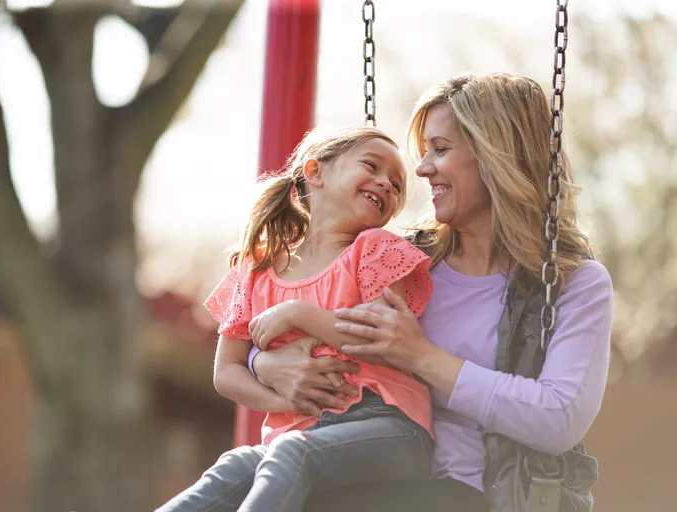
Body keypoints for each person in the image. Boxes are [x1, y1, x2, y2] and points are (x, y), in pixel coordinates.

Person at [246, 72, 614, 512]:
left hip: (491, 495)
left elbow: (559, 417)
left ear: (496, 155)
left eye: (440, 150)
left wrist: (421, 356)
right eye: (424, 153)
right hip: (379, 478)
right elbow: (307, 318)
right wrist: (262, 362)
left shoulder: (571, 283)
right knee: (240, 478)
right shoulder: (402, 262)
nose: (421, 169)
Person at [158, 126, 437, 512]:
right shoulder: (258, 268)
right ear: (315, 172)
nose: (385, 184)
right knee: (234, 465)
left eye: (396, 184)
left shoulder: (376, 251)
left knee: (291, 452)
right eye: (371, 166)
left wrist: (300, 314)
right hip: (301, 430)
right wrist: (283, 397)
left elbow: (381, 342)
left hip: (389, 425)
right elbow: (227, 372)